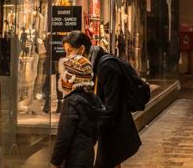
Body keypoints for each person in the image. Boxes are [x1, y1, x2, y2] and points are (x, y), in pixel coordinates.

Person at [50, 32, 104, 168]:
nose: (68, 56)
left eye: (70, 51)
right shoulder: (91, 97)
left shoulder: (72, 101)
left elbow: (64, 136)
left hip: (75, 158)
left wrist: (55, 162)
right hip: (87, 154)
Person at [90, 40, 142, 167]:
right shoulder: (102, 64)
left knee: (108, 161)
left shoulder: (106, 67)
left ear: (81, 49)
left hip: (112, 125)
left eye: (70, 51)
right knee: (112, 161)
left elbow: (111, 104)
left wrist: (97, 129)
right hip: (112, 123)